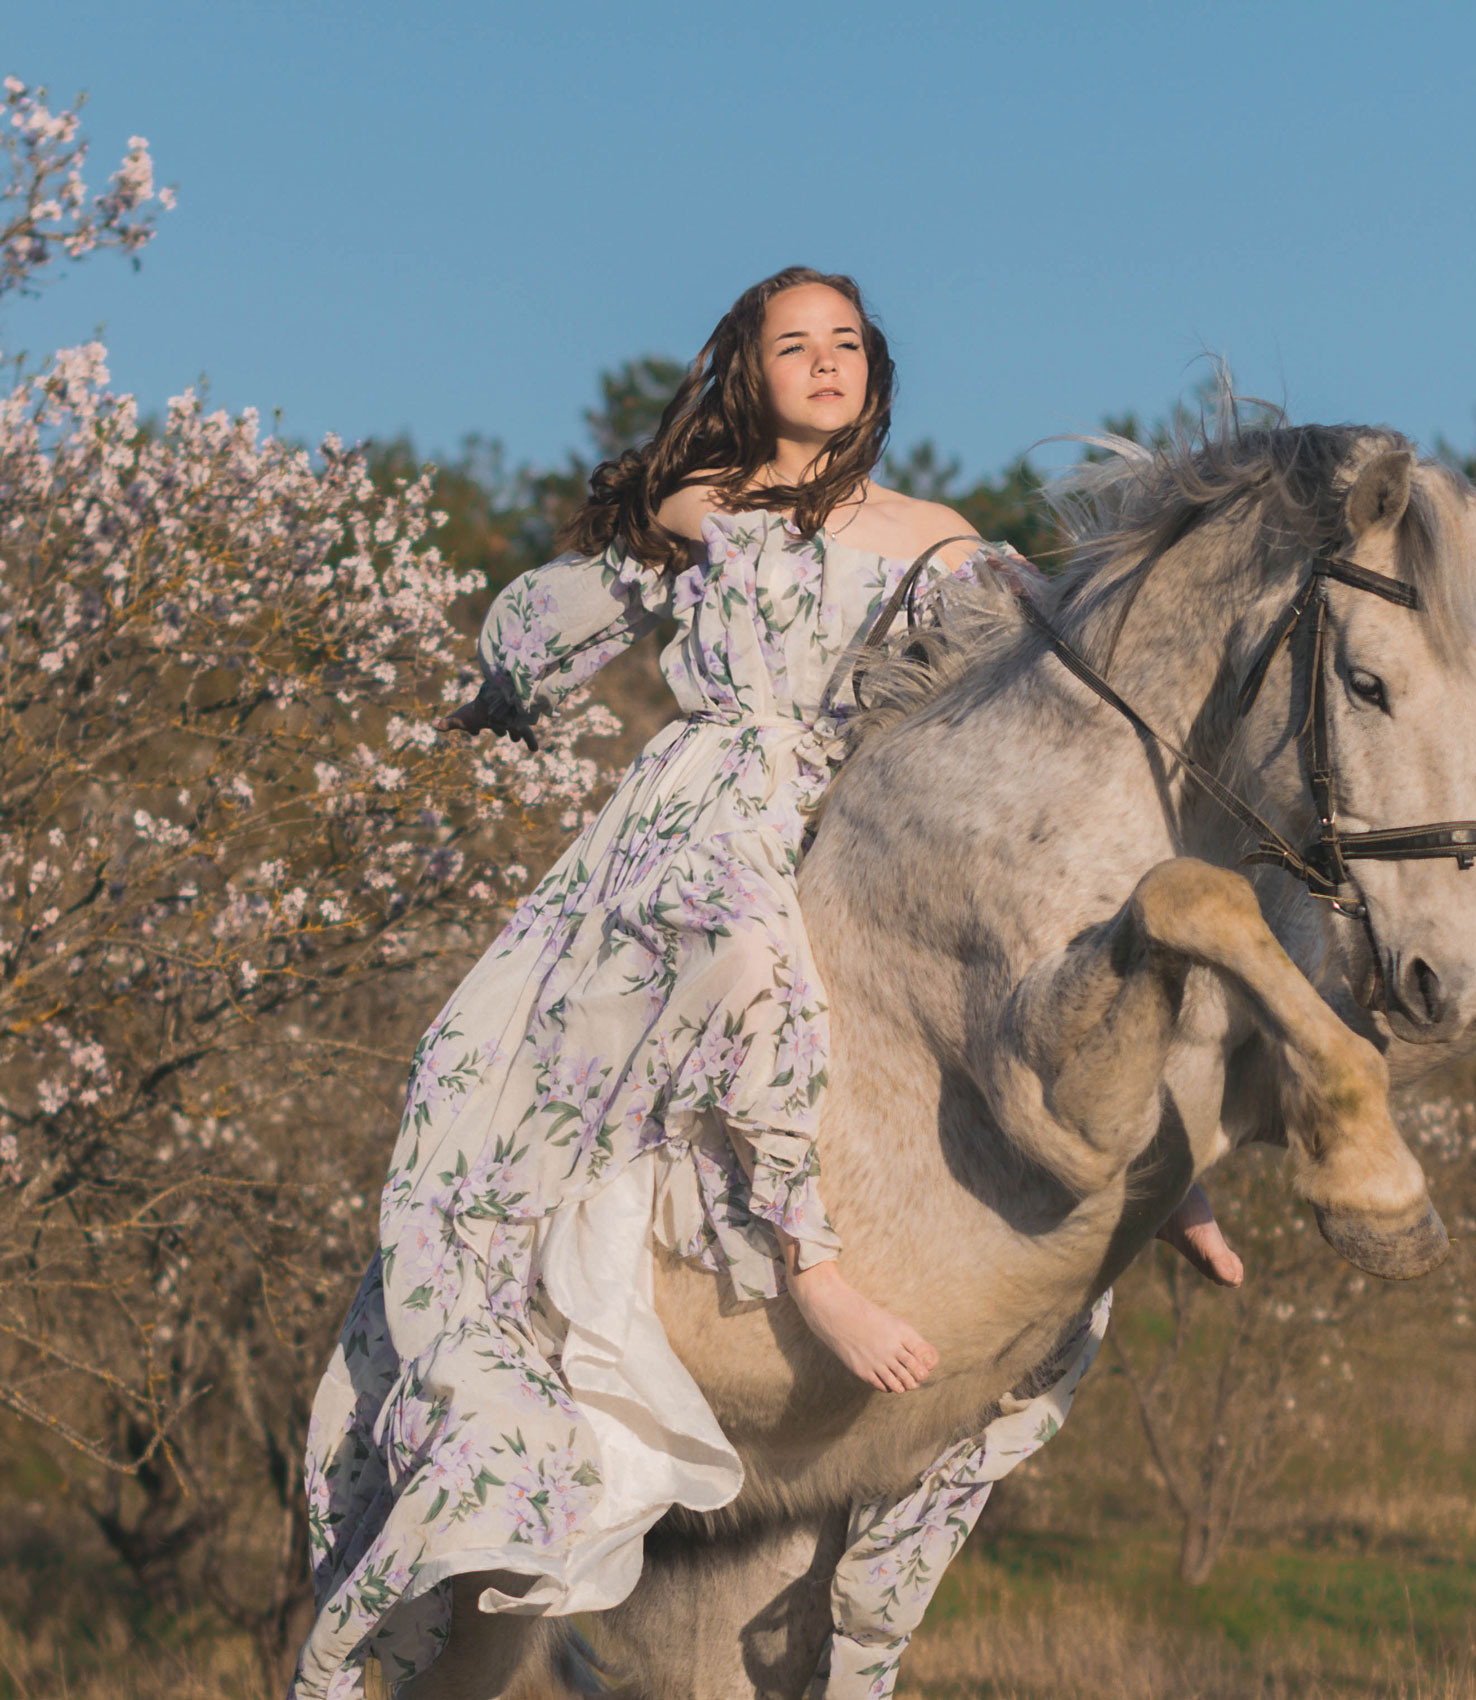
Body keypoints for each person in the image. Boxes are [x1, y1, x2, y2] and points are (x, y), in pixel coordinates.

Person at [290, 267, 1238, 1700]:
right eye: (794, 343)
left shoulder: (938, 539)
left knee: (1023, 958)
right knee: (749, 972)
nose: (826, 361)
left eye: (846, 341)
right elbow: (587, 598)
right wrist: (504, 674)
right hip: (710, 792)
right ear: (749, 367)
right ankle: (812, 1268)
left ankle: (1177, 1173)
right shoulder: (706, 500)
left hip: (845, 799)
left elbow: (1064, 670)